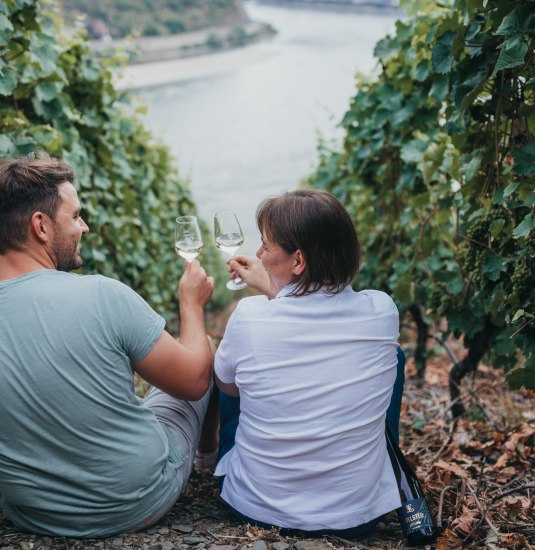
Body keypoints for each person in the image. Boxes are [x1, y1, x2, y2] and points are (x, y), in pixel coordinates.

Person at [0, 152, 215, 537]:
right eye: (75, 215)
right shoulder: (103, 295)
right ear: (41, 226)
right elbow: (194, 381)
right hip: (138, 500)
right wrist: (192, 305)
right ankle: (210, 460)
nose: (83, 227)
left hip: (34, 516)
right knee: (200, 361)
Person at [213, 189, 405, 536]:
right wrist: (276, 289)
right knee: (394, 356)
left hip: (257, 507)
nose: (258, 253)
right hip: (359, 516)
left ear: (298, 261)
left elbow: (228, 389)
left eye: (266, 246)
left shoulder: (249, 316)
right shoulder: (382, 310)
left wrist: (271, 297)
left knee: (229, 369)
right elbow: (318, 316)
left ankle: (212, 460)